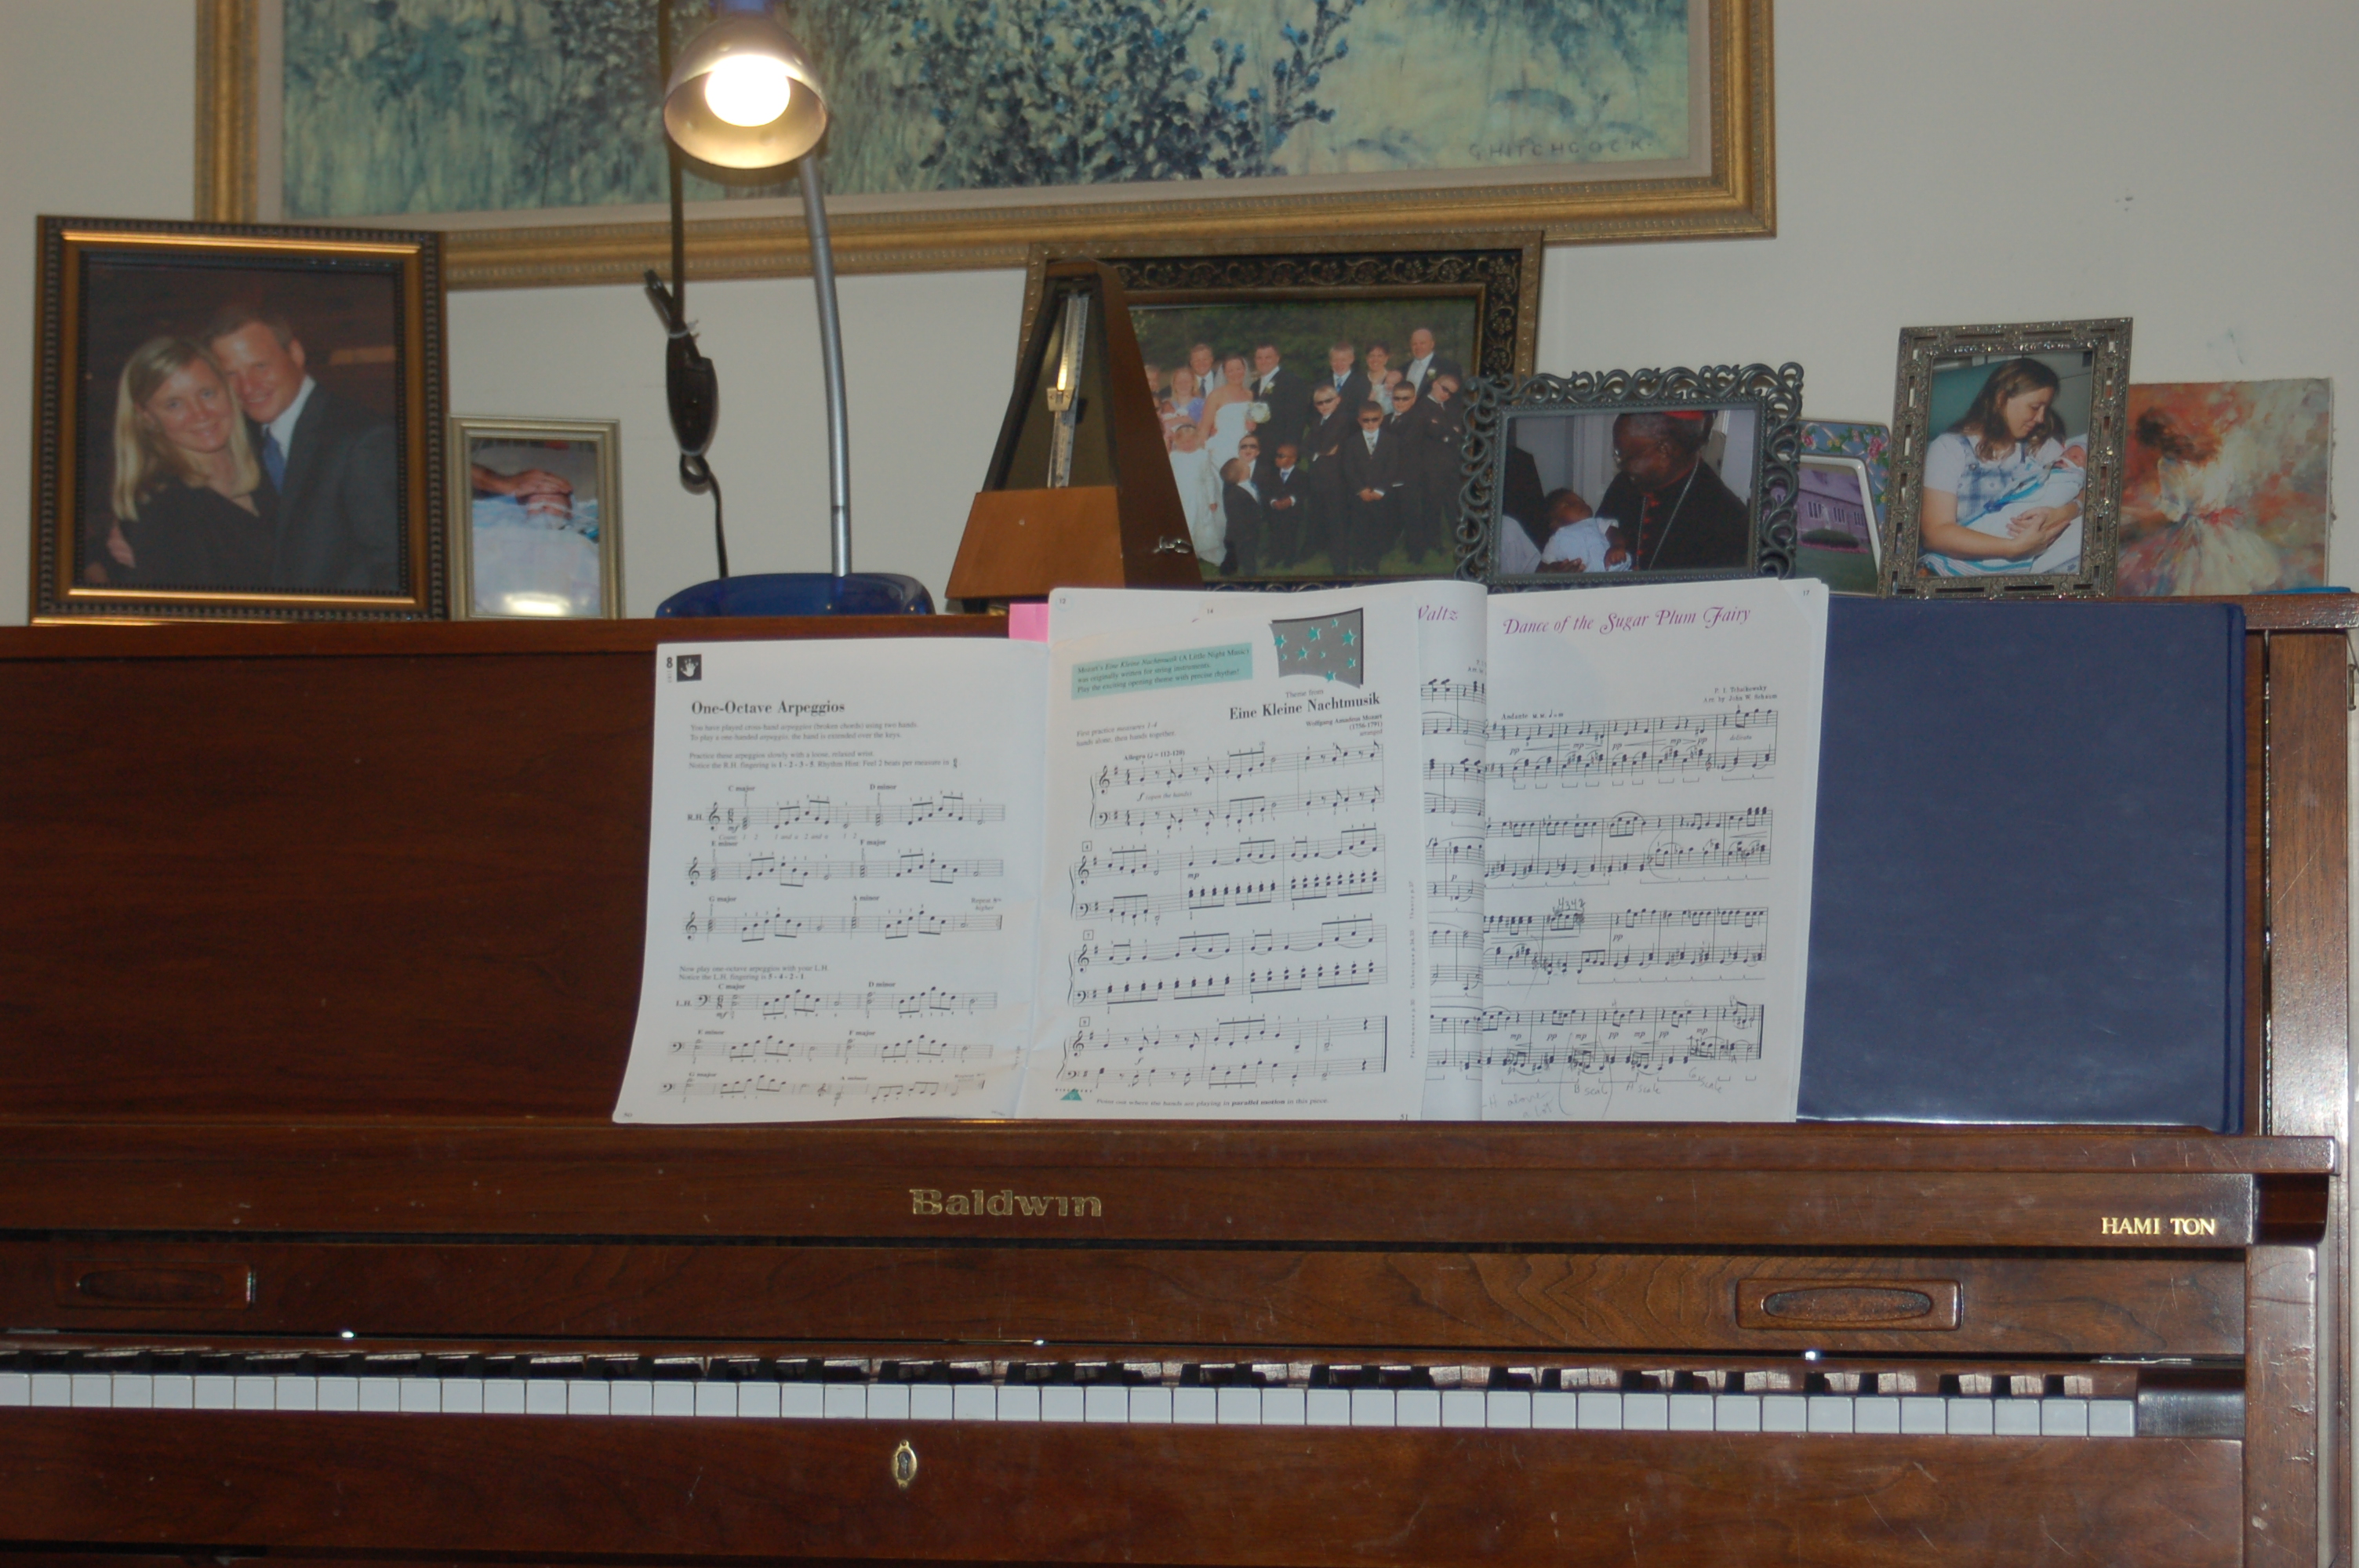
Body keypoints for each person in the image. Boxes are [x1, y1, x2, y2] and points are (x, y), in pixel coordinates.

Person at [204, 304, 400, 593]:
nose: (248, 387)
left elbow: (396, 569)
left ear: (295, 354)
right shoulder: (244, 441)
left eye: (260, 366)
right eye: (231, 374)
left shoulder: (362, 439)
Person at [100, 336, 274, 588]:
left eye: (207, 393)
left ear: (228, 389)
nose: (200, 414)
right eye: (174, 404)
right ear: (147, 417)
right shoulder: (162, 510)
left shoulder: (273, 458)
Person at [1916, 357, 2081, 577]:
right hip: (1967, 565)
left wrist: (2063, 512)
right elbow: (1935, 534)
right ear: (2001, 399)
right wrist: (2012, 548)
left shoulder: (2038, 446)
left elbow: (2082, 484)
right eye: (2034, 408)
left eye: (2046, 409)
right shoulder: (1950, 449)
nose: (2041, 419)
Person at [2117, 407, 2284, 594]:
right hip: (2221, 530)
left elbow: (2174, 514)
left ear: (2153, 443)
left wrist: (2132, 514)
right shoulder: (2215, 451)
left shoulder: (2170, 464)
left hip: (2193, 537)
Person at [1593, 410, 1752, 572]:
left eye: (1623, 455)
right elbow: (1592, 539)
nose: (1620, 464)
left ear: (1664, 451)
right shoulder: (1624, 484)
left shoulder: (1730, 522)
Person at [1337, 399, 1405, 574]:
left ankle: (1374, 560)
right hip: (1360, 494)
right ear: (1359, 421)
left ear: (1381, 419)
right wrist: (1360, 489)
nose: (1370, 424)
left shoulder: (1391, 441)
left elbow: (1392, 467)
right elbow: (1348, 468)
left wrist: (1381, 489)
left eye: (1374, 419)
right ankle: (1359, 560)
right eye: (1366, 420)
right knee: (1359, 528)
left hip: (1381, 493)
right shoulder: (1351, 442)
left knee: (1379, 527)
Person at [1167, 421, 1224, 571]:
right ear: (1177, 442)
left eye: (1190, 441)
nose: (1187, 445)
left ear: (1196, 440)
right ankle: (1185, 552)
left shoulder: (1202, 455)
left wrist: (1211, 500)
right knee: (1186, 523)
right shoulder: (1174, 457)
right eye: (1183, 442)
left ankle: (1203, 551)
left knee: (1201, 523)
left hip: (1199, 496)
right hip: (1182, 496)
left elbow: (1208, 478)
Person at [1535, 489, 1630, 573]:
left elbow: (1613, 533)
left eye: (1582, 501)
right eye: (1568, 504)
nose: (1578, 504)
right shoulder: (1556, 540)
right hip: (1582, 579)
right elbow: (1542, 569)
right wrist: (1555, 569)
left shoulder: (1597, 523)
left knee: (1626, 565)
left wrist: (1617, 546)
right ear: (1554, 524)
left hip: (1611, 568)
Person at [1248, 343, 1311, 455]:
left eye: (1268, 358)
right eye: (1259, 358)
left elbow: (1297, 419)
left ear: (1277, 358)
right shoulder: (1254, 386)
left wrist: (1290, 448)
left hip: (1281, 450)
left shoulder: (1291, 382)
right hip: (1259, 449)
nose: (1263, 361)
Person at [1200, 354, 1257, 472]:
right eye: (1231, 371)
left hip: (1246, 448)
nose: (1235, 373)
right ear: (1225, 373)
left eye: (1239, 369)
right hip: (1222, 448)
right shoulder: (1216, 396)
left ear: (1244, 370)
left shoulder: (1250, 395)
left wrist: (1253, 425)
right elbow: (1204, 429)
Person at [1261, 441, 1311, 565]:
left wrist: (1291, 500)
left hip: (1293, 512)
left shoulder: (1301, 475)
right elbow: (1267, 491)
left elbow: (1303, 491)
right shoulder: (1271, 475)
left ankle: (1289, 559)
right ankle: (1274, 557)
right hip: (1275, 512)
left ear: (1293, 459)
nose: (1277, 459)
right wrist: (1273, 502)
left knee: (1290, 535)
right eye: (1276, 455)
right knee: (1275, 534)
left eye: (1281, 456)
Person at [1219, 456, 1265, 577]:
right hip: (1240, 535)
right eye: (1245, 466)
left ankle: (1229, 570)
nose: (1248, 466)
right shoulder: (1234, 495)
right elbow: (1236, 517)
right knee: (1245, 557)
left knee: (1237, 556)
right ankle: (1250, 575)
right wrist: (1245, 534)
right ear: (1241, 474)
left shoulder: (1248, 485)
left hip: (1250, 531)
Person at [1398, 327, 1463, 401]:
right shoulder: (1403, 369)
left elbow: (1455, 399)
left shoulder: (1448, 367)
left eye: (1422, 343)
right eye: (1414, 344)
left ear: (1432, 344)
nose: (1418, 347)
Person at [1320, 341, 1371, 423]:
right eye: (1335, 360)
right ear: (1330, 361)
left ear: (1352, 359)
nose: (1339, 364)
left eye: (1343, 360)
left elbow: (1360, 410)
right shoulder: (1322, 385)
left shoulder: (1362, 383)